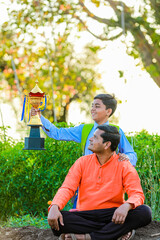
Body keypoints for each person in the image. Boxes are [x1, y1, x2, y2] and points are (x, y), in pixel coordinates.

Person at [47, 125, 151, 240]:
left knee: (144, 212)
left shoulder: (124, 165)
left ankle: (87, 237)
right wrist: (55, 206)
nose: (90, 139)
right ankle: (116, 232)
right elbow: (67, 188)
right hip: (85, 215)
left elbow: (137, 194)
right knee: (58, 218)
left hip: (113, 214)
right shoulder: (82, 162)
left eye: (95, 137)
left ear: (107, 144)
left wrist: (126, 206)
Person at [31, 94, 137, 166]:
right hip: (86, 182)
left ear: (108, 111)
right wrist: (40, 117)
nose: (92, 109)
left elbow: (132, 156)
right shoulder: (84, 129)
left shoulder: (117, 131)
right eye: (92, 106)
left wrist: (126, 157)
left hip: (108, 184)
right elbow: (58, 133)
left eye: (97, 106)